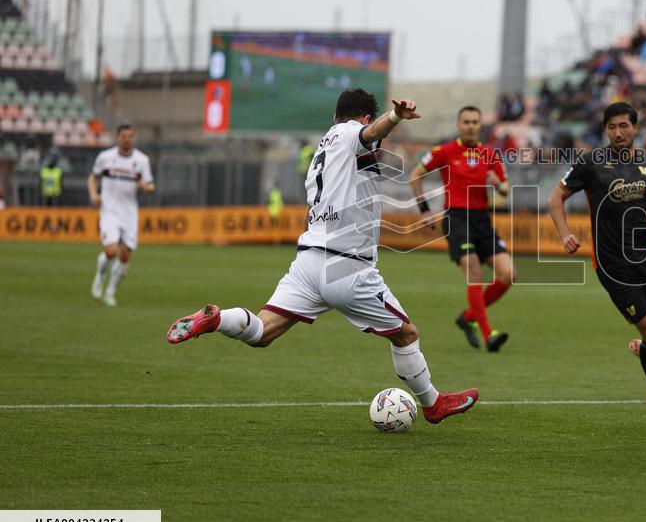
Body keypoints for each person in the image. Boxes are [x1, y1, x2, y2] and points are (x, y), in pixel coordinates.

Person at [166, 89, 478, 425]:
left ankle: (217, 318)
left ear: (334, 115)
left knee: (262, 331)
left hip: (308, 261)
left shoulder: (321, 149)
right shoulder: (350, 135)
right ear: (365, 117)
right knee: (406, 335)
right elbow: (371, 134)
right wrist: (397, 117)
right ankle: (433, 405)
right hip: (346, 263)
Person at [548, 102, 646, 399]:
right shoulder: (591, 163)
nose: (618, 132)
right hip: (613, 265)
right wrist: (565, 234)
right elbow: (556, 198)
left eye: (624, 125)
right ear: (605, 130)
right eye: (612, 127)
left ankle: (645, 349)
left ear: (636, 128)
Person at [409, 105, 514, 352]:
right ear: (459, 125)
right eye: (466, 121)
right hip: (456, 218)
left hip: (482, 220)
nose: (470, 126)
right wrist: (424, 210)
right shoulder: (444, 151)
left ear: (480, 126)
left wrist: (498, 185)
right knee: (475, 273)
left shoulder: (489, 154)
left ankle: (467, 318)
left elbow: (506, 189)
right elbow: (415, 175)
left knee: (508, 275)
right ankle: (489, 334)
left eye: (475, 122)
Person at [88, 124, 155, 307]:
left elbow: (150, 185)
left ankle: (110, 292)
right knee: (111, 251)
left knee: (125, 256)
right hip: (109, 210)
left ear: (133, 138)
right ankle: (100, 276)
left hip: (129, 213)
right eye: (123, 136)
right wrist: (94, 194)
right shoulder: (105, 157)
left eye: (130, 136)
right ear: (117, 137)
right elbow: (93, 177)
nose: (127, 139)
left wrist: (145, 187)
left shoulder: (141, 160)